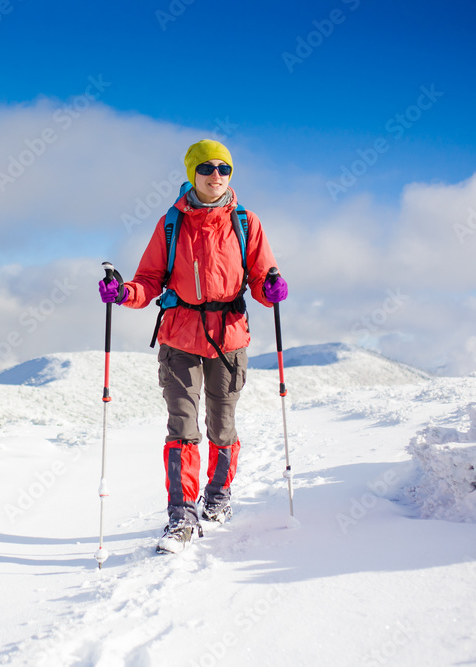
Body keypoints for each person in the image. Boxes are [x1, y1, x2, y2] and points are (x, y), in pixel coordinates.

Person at [99, 139, 288, 553]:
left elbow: (261, 279)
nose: (216, 175)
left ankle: (218, 496)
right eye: (206, 168)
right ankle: (181, 517)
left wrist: (272, 288)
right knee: (182, 429)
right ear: (192, 174)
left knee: (222, 427)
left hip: (229, 337)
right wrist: (123, 292)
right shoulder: (171, 223)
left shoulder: (245, 222)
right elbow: (148, 280)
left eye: (224, 168)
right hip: (180, 337)